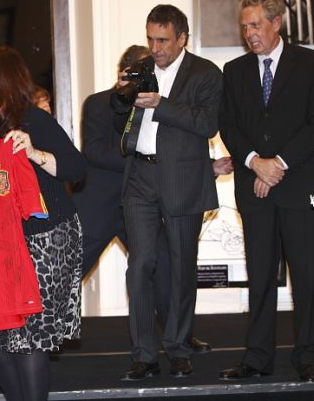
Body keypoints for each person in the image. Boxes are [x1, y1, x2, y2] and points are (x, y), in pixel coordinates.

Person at [73, 45, 231, 355]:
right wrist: (141, 161)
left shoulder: (158, 103)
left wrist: (208, 168)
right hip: (100, 206)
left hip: (140, 202)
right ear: (124, 73)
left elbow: (171, 152)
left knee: (164, 268)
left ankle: (179, 335)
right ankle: (43, 334)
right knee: (69, 271)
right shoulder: (99, 103)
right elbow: (94, 152)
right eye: (141, 74)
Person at [0, 45, 85, 401]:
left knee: (29, 338)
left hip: (46, 239)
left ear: (1, 78)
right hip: (1, 244)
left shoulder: (33, 120)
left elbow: (77, 169)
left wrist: (34, 153)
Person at [218, 0, 314, 383]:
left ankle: (309, 356)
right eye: (244, 26)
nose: (249, 33)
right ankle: (257, 358)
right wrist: (256, 163)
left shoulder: (311, 63)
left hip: (298, 188)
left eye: (255, 25)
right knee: (260, 276)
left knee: (306, 275)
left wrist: (278, 164)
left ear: (276, 23)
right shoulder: (234, 71)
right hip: (255, 189)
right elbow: (229, 125)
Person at [119, 5, 223, 380]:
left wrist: (161, 105)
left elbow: (207, 124)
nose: (155, 47)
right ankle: (144, 354)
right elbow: (120, 113)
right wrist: (123, 94)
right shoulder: (143, 68)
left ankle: (178, 347)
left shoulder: (205, 73)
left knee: (181, 266)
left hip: (182, 178)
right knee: (140, 265)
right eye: (150, 39)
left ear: (182, 38)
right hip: (140, 176)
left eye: (163, 40)